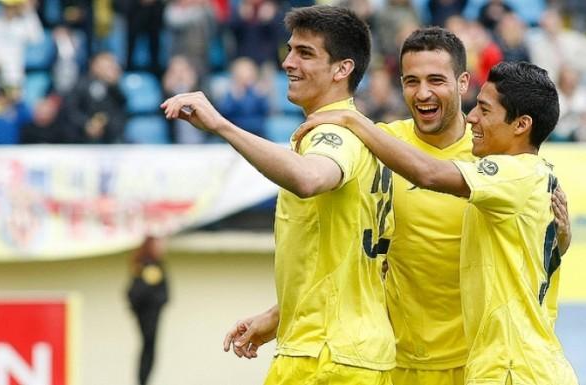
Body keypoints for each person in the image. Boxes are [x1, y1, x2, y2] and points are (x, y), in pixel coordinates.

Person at [224, 27, 572, 385]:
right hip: (400, 362)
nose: (423, 93)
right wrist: (279, 314)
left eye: (436, 80)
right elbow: (354, 255)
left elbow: (532, 244)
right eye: (411, 81)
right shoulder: (379, 145)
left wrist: (561, 237)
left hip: (482, 365)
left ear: (462, 82)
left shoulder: (494, 158)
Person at [162, 5, 396, 384]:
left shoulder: (332, 134)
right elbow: (339, 264)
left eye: (305, 53)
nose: (288, 62)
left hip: (324, 356)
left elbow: (309, 178)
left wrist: (222, 126)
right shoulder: (367, 136)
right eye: (289, 50)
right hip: (359, 351)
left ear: (342, 69)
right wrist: (279, 315)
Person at [127, 236, 169, 385]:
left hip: (148, 316)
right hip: (149, 317)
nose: (163, 247)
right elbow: (138, 293)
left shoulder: (146, 266)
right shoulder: (150, 267)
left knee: (148, 349)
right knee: (148, 348)